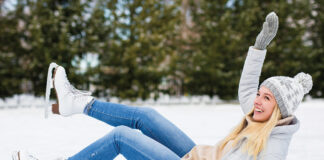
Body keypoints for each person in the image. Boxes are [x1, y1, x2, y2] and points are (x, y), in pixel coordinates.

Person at [12, 12, 313, 160]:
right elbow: (247, 89)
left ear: (280, 112)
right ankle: (76, 104)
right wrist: (259, 48)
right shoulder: (260, 115)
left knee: (122, 136)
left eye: (267, 98)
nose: (256, 101)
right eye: (260, 94)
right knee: (147, 117)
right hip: (197, 155)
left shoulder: (276, 144)